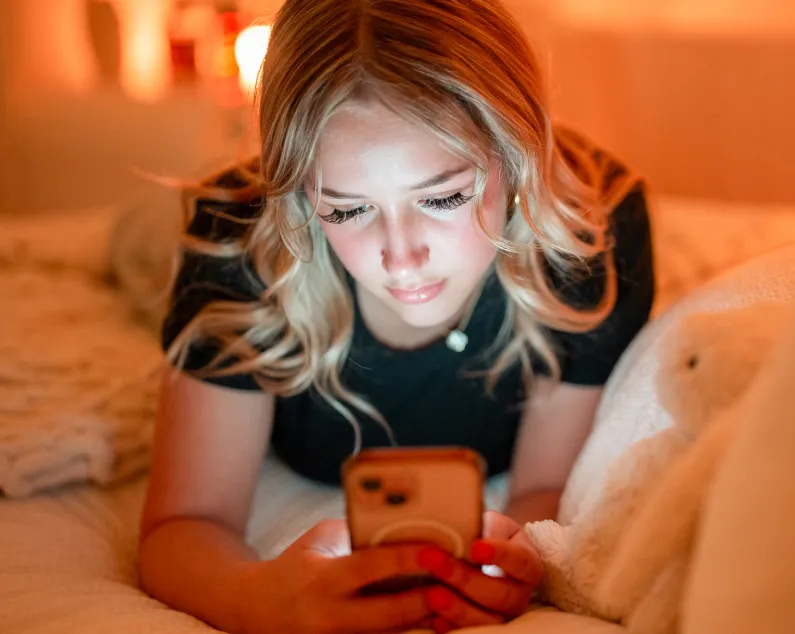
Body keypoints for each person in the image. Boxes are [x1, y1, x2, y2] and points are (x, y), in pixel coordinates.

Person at [138, 0, 655, 632]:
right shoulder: (239, 245)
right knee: (134, 254)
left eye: (442, 196)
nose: (402, 256)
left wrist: (519, 558)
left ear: (516, 154)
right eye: (349, 210)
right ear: (302, 196)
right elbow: (183, 525)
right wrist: (260, 597)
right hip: (229, 226)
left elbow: (540, 495)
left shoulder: (591, 237)